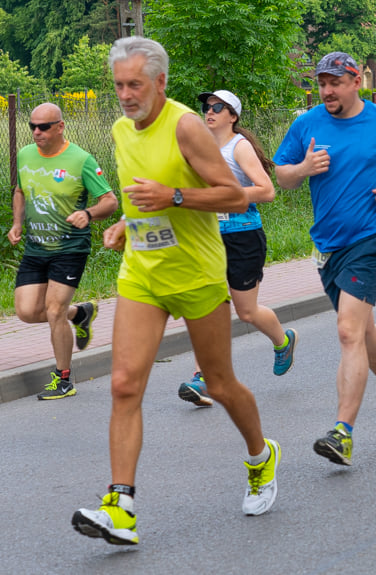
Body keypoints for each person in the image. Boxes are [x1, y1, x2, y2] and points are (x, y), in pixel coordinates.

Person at [72, 37, 281, 547]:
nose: (125, 94)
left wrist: (175, 197)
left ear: (160, 83)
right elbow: (138, 191)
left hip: (196, 274)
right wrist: (126, 220)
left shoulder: (186, 125)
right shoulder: (122, 129)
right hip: (142, 274)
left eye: (135, 84)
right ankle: (120, 505)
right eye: (119, 84)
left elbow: (234, 196)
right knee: (123, 384)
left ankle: (261, 455)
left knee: (221, 383)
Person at [273, 52, 376, 466]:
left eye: (335, 82)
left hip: (373, 237)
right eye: (321, 83)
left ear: (356, 82)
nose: (327, 90)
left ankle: (341, 432)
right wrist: (304, 167)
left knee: (347, 330)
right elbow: (281, 175)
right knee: (362, 329)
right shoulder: (307, 122)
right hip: (329, 245)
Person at [176, 90, 298, 406]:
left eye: (219, 107)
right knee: (206, 308)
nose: (210, 111)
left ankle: (282, 341)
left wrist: (228, 195)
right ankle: (201, 379)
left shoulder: (239, 147)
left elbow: (267, 191)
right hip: (208, 238)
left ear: (233, 116)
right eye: (206, 107)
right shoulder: (197, 148)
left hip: (243, 236)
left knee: (246, 311)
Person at [8, 102, 117, 400]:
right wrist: (17, 223)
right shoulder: (26, 154)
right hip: (36, 247)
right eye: (32, 126)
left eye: (43, 127)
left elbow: (110, 200)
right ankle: (80, 313)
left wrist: (90, 214)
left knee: (53, 310)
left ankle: (64, 379)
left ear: (60, 126)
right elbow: (20, 191)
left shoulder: (80, 159)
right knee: (27, 312)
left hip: (70, 247)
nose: (36, 132)